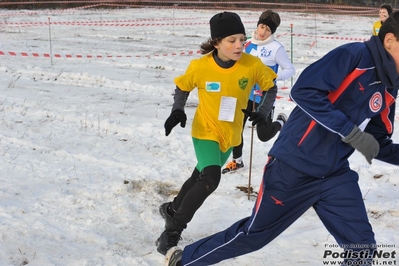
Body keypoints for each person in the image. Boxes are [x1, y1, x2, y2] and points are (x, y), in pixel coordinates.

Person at [164, 10, 399, 266]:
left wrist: (365, 141)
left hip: (334, 174)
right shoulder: (354, 56)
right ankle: (183, 260)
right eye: (232, 40)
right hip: (293, 167)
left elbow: (376, 143)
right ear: (389, 41)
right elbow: (304, 91)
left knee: (362, 247)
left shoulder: (389, 84)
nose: (239, 45)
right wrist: (351, 132)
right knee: (253, 235)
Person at [156, 11, 277, 255]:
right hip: (205, 131)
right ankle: (171, 232)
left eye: (242, 39)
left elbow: (270, 87)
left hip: (230, 136)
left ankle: (172, 209)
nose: (239, 45)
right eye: (232, 40)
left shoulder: (251, 65)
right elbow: (182, 86)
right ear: (216, 42)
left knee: (199, 176)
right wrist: (178, 110)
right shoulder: (201, 66)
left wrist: (263, 112)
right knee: (210, 179)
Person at [222, 10, 295, 174]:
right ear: (258, 25)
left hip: (264, 97)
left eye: (267, 30)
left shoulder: (276, 48)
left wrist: (272, 78)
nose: (262, 32)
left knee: (263, 135)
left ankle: (281, 121)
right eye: (262, 27)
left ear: (272, 32)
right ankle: (237, 161)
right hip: (244, 93)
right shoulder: (246, 43)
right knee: (236, 128)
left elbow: (290, 70)